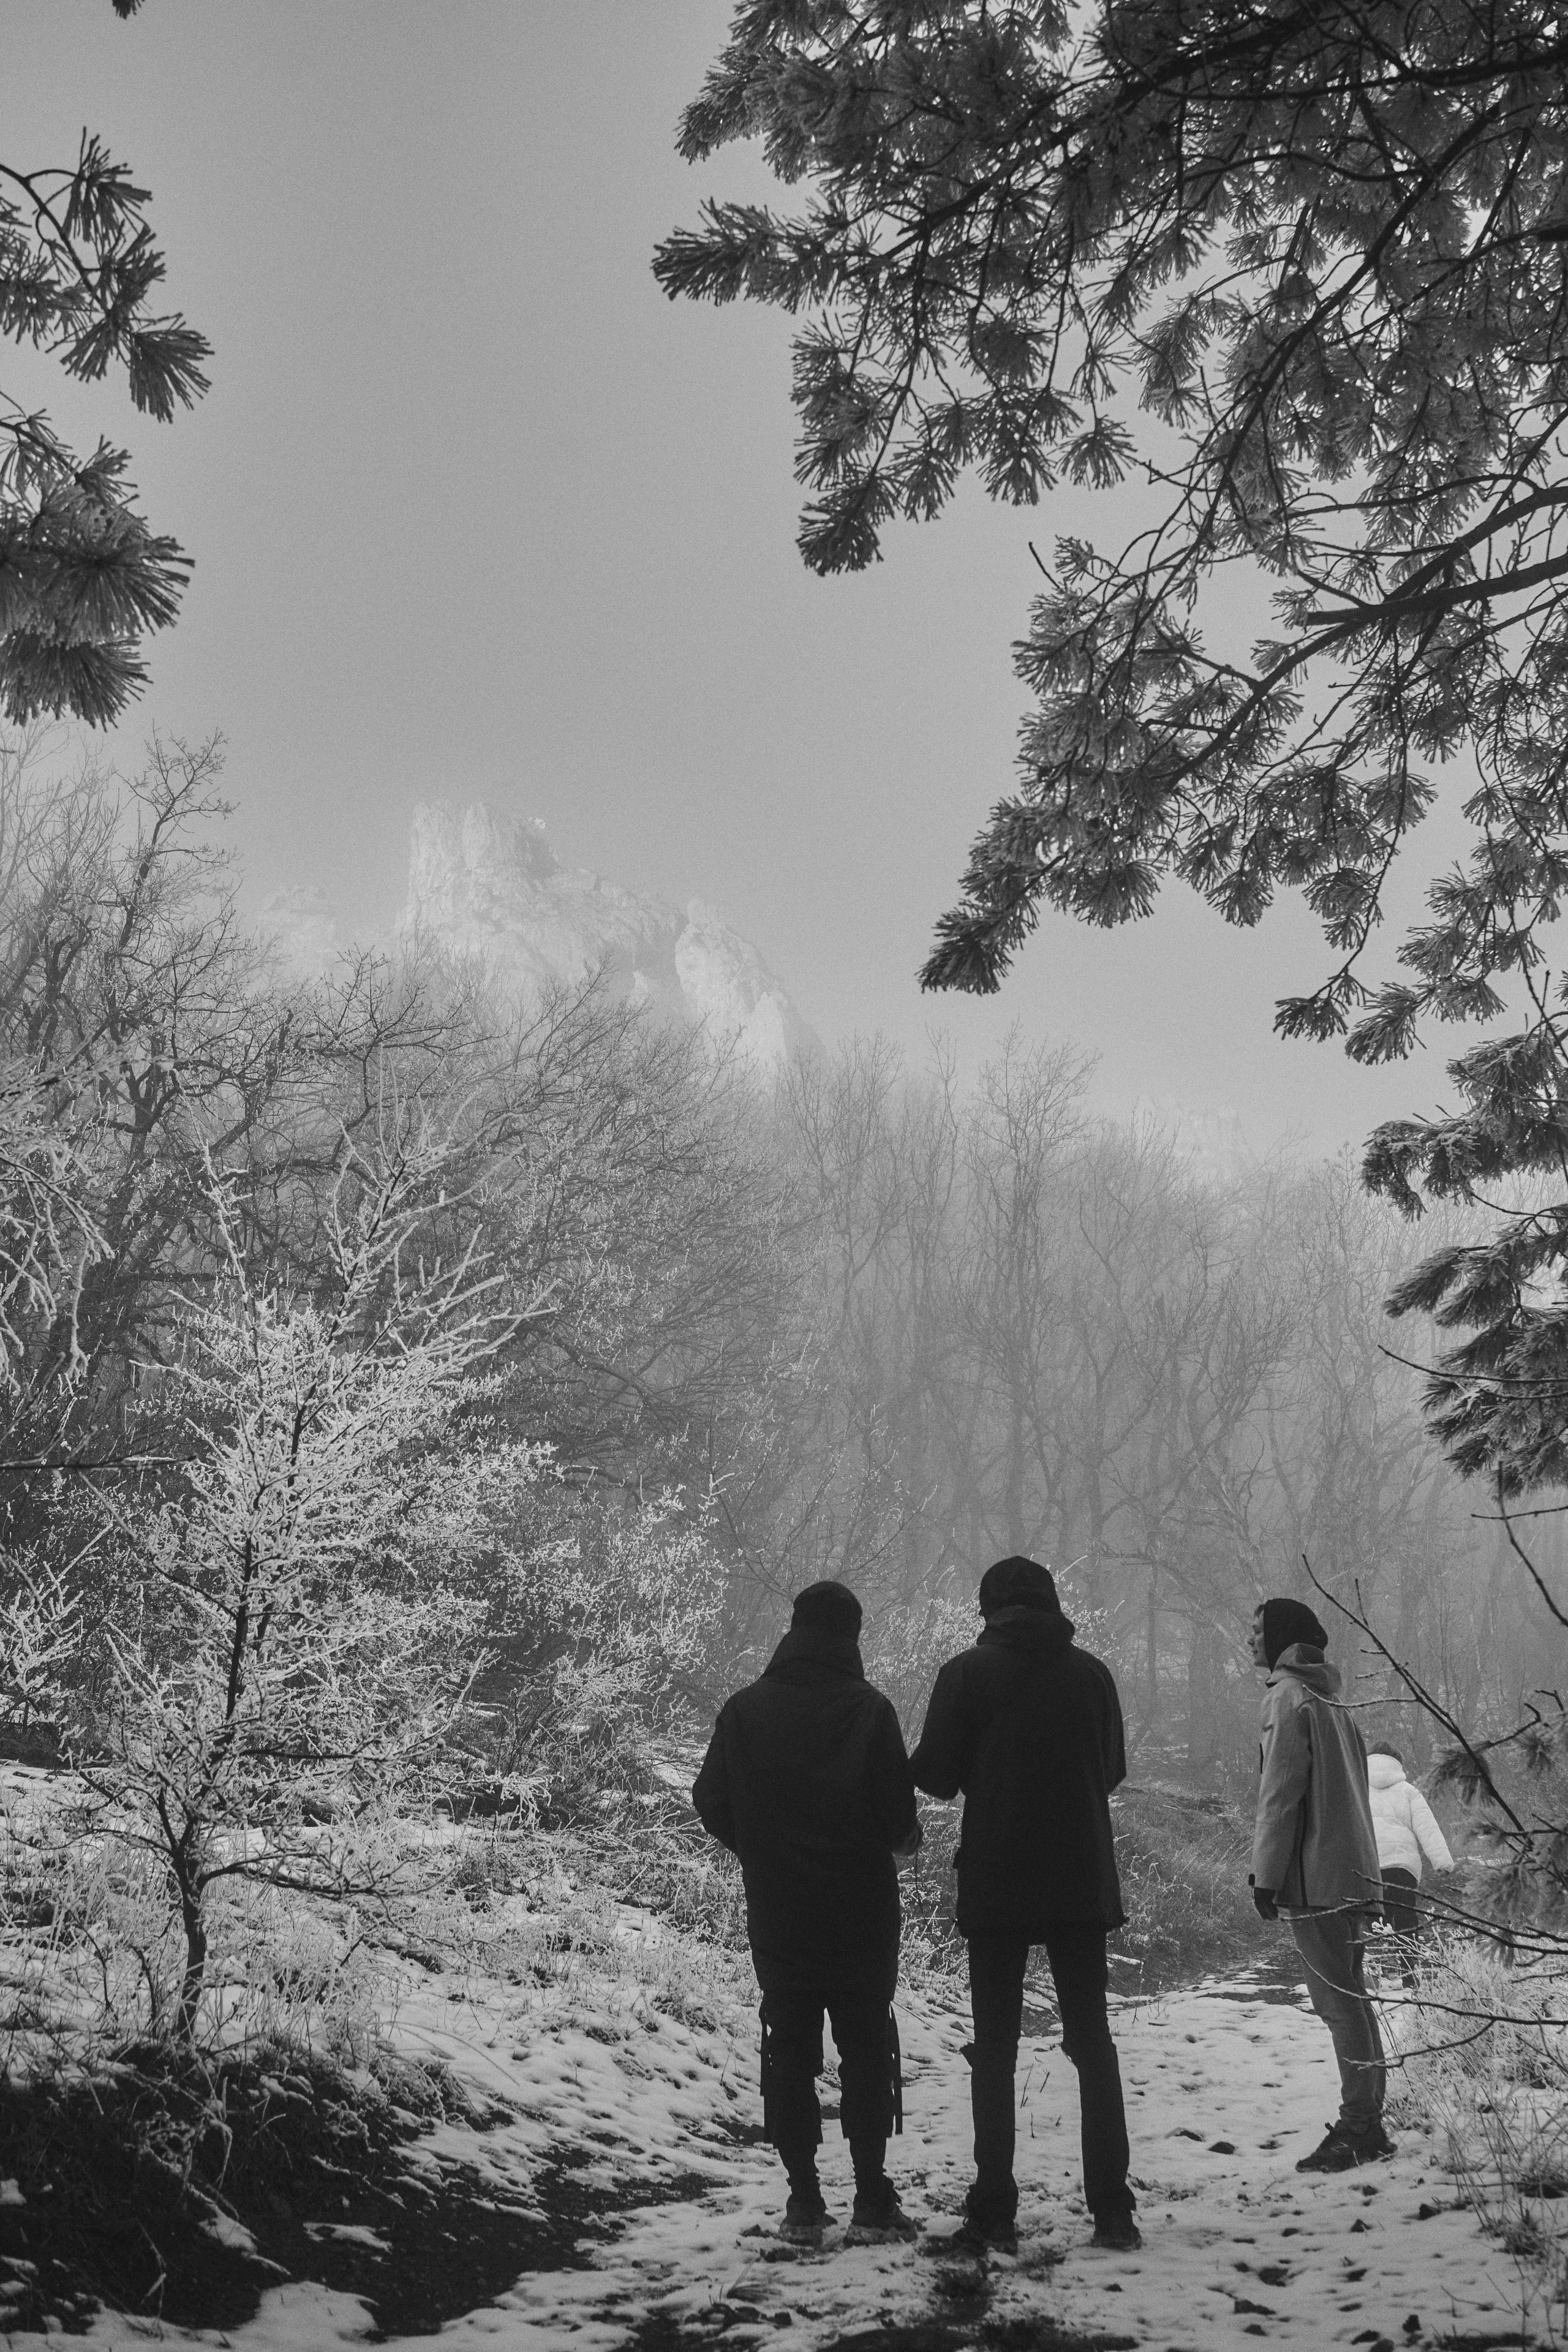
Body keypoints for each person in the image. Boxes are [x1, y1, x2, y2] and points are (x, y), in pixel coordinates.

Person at [909, 1555, 1139, 2255]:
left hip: (998, 1878)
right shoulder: (1092, 1673)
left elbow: (937, 1779)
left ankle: (993, 2210)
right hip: (1079, 1878)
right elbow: (1112, 1771)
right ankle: (1112, 2212)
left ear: (989, 1609)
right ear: (1050, 1603)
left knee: (996, 2048)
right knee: (1092, 2044)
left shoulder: (965, 1674)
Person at [692, 1578, 921, 2248]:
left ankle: (802, 2200)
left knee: (788, 2052)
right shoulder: (869, 1711)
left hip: (780, 1909)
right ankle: (873, 2197)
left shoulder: (744, 1710)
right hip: (860, 1913)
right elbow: (898, 1818)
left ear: (793, 1629)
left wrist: (760, 1849)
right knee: (864, 2049)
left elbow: (711, 1799)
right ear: (851, 1635)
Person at [1248, 1597, 1392, 2172]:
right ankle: (1368, 2124)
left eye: (1257, 1630)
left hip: (1317, 1880)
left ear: (1281, 1637)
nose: (1250, 1639)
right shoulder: (1331, 1700)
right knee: (1354, 2001)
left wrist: (1267, 1874)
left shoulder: (1287, 1698)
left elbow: (1280, 1793)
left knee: (1339, 2004)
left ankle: (1361, 2128)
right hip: (1352, 1875)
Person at [1366, 1741, 1453, 1986]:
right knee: (1405, 1919)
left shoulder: (1356, 1789)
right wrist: (1442, 1861)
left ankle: (1375, 1975)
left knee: (1369, 1917)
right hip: (1402, 1865)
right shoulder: (1408, 1790)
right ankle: (1409, 1977)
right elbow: (1427, 1828)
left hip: (1367, 1863)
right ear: (1398, 1763)